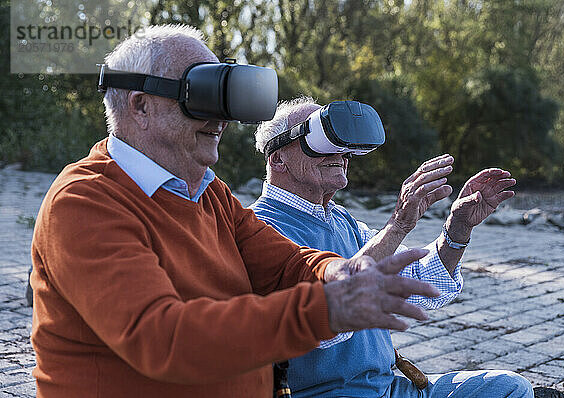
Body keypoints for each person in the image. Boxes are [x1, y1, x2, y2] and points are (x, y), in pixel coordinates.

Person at [29, 25, 442, 398]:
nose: (221, 119)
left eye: (224, 100)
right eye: (203, 96)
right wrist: (327, 308)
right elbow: (163, 338)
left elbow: (286, 263)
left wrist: (338, 273)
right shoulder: (85, 202)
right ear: (140, 106)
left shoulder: (209, 194)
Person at [251, 97, 534, 397]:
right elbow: (317, 321)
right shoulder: (259, 229)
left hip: (391, 387)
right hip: (329, 393)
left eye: (343, 141)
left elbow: (422, 280)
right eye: (320, 137)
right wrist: (397, 224)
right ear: (278, 158)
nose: (341, 151)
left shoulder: (344, 222)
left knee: (509, 388)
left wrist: (458, 228)